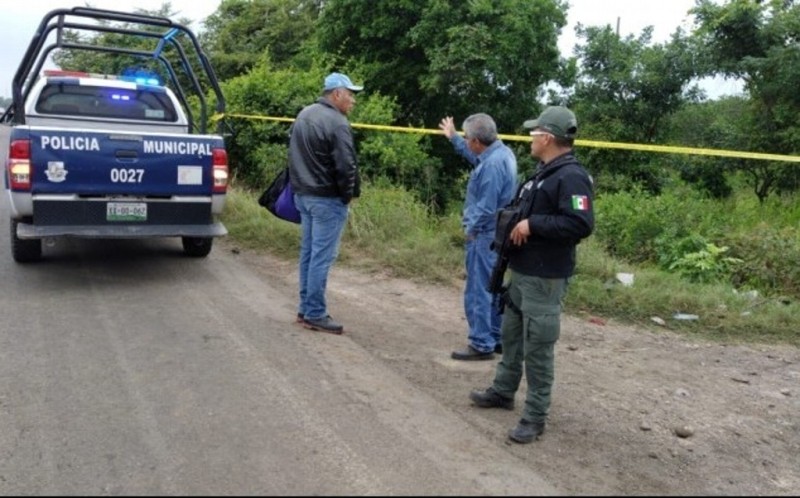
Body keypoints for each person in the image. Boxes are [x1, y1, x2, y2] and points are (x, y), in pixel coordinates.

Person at [468, 106, 594, 443]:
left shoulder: (571, 177)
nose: (530, 139)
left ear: (548, 137)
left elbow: (581, 223)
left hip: (545, 278)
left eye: (534, 133)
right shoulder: (544, 172)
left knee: (538, 348)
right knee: (511, 337)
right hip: (523, 272)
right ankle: (503, 391)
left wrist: (532, 224)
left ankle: (535, 416)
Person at [288, 72, 363, 334]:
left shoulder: (304, 114)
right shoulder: (338, 122)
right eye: (350, 94)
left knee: (309, 254)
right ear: (336, 94)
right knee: (321, 256)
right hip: (327, 199)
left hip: (304, 196)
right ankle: (315, 313)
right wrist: (348, 194)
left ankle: (305, 308)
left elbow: (293, 156)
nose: (353, 100)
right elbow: (346, 165)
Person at [439, 113, 518, 360]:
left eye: (466, 138)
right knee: (492, 286)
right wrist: (453, 138)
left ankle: (481, 343)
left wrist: (470, 231)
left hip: (485, 235)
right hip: (496, 233)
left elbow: (485, 208)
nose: (467, 142)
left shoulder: (492, 165)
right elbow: (475, 156)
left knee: (479, 289)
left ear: (475, 140)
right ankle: (494, 337)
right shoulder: (500, 153)